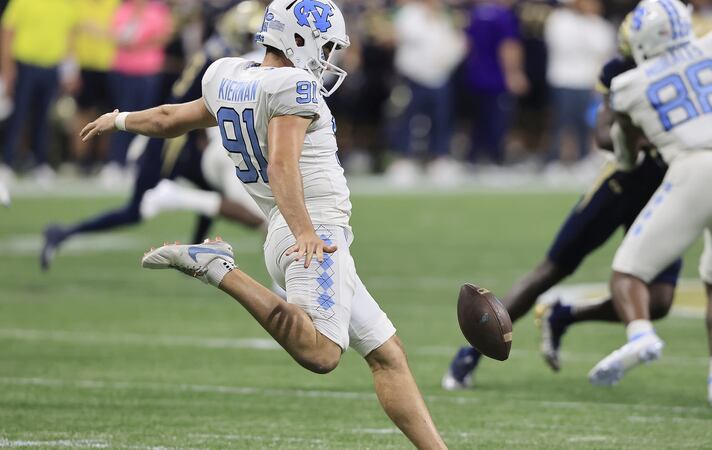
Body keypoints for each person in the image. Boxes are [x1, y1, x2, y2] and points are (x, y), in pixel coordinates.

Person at [79, 1, 447, 447]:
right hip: (312, 230)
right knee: (322, 353)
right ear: (298, 38)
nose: (330, 55)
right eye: (326, 44)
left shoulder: (229, 75)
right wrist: (306, 231)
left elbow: (169, 118)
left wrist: (118, 120)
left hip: (288, 226)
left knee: (387, 354)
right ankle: (219, 269)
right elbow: (281, 165)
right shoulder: (294, 87)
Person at [443, 12, 682, 390]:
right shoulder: (622, 70)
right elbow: (602, 133)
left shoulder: (685, 71)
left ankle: (564, 316)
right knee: (551, 269)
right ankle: (471, 352)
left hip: (669, 190)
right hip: (621, 182)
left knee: (661, 301)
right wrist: (637, 134)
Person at [588, 0, 712, 406]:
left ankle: (640, 335)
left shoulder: (628, 86)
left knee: (627, 274)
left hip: (697, 168)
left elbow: (627, 158)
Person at [40, 2, 268, 271]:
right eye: (248, 36)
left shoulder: (215, 55)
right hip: (173, 135)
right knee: (139, 209)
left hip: (181, 132)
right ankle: (62, 233)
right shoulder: (222, 62)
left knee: (212, 189)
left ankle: (197, 255)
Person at [386, 0, 465, 186]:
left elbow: (453, 44)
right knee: (407, 119)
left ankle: (439, 160)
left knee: (441, 120)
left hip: (439, 78)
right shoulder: (410, 14)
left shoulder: (444, 18)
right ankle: (403, 161)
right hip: (413, 78)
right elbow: (407, 37)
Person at [1, 0, 79, 183]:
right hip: (25, 65)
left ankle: (41, 163)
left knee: (44, 118)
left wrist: (70, 70)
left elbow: (70, 37)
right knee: (18, 115)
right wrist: (7, 67)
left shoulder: (66, 5)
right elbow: (7, 32)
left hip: (52, 67)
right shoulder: (22, 2)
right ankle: (6, 162)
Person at [104, 0, 173, 181]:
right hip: (124, 71)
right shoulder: (124, 10)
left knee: (144, 117)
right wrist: (140, 30)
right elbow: (120, 38)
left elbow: (164, 36)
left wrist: (139, 41)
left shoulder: (158, 10)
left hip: (149, 72)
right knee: (120, 114)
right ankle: (116, 162)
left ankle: (136, 161)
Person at [544, 0, 614, 166]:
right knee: (562, 122)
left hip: (588, 82)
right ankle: (555, 159)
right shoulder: (559, 19)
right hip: (564, 79)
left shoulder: (600, 25)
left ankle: (583, 159)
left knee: (587, 124)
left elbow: (605, 51)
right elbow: (564, 46)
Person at [464, 0, 528, 165]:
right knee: (497, 122)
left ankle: (474, 157)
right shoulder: (503, 16)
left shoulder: (477, 13)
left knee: (478, 122)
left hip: (476, 76)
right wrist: (514, 74)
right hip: (497, 78)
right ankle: (493, 158)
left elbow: (468, 45)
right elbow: (508, 47)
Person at [72, 0, 120, 172]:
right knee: (84, 113)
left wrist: (102, 33)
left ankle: (103, 159)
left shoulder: (114, 4)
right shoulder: (79, 4)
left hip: (110, 67)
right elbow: (71, 34)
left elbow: (120, 32)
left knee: (109, 114)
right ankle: (82, 160)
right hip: (85, 66)